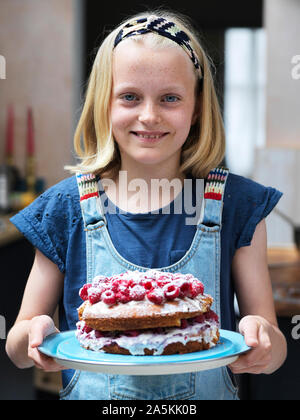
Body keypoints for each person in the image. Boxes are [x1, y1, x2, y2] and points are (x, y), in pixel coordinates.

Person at [6, 9, 287, 400]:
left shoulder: (236, 206)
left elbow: (273, 347)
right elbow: (18, 344)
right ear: (104, 103)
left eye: (170, 98)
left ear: (198, 107)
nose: (149, 116)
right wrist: (33, 338)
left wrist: (265, 341)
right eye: (130, 97)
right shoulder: (64, 209)